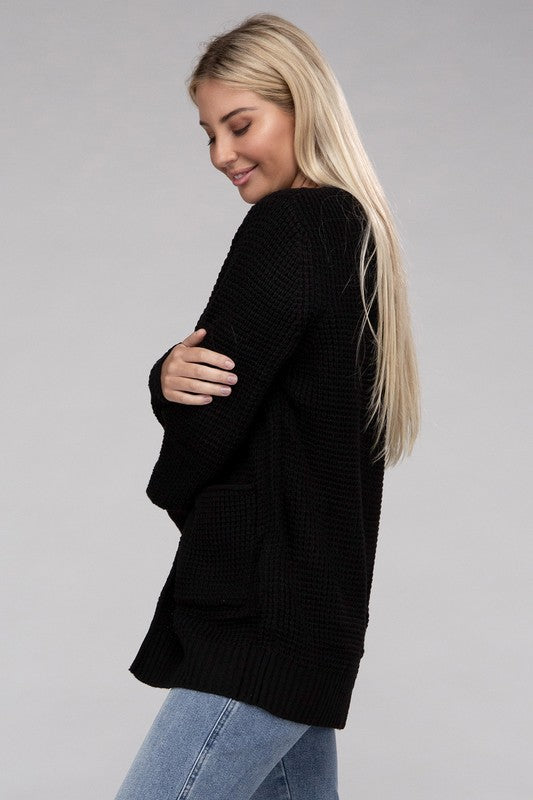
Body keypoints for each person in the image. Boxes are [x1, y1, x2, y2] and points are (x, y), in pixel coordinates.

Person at [114, 12, 420, 800]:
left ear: (300, 106)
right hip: (314, 614)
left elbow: (211, 412)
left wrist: (165, 396)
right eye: (209, 133)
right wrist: (169, 374)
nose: (222, 153)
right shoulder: (352, 230)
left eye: (240, 123)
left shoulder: (289, 225)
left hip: (259, 614)